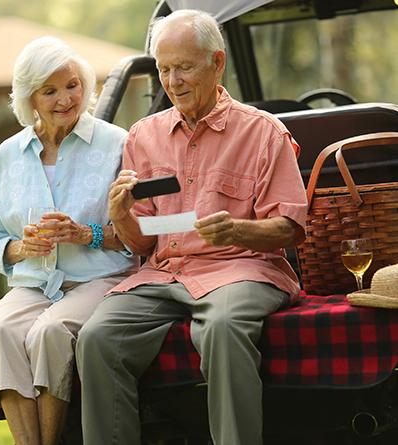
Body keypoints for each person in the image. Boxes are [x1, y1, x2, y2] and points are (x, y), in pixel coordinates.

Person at [76, 9, 308, 445]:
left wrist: (239, 232)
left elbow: (290, 228)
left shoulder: (264, 132)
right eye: (164, 69)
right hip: (165, 272)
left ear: (217, 63)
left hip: (242, 269)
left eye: (184, 67)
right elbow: (144, 242)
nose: (173, 81)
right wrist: (122, 213)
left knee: (221, 328)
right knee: (96, 338)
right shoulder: (143, 136)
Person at [0, 36, 138, 445]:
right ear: (29, 98)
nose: (66, 99)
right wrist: (21, 248)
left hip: (98, 278)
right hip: (34, 282)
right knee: (2, 330)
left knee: (50, 331)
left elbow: (141, 236)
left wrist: (86, 234)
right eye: (50, 91)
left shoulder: (117, 143)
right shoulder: (8, 155)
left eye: (72, 85)